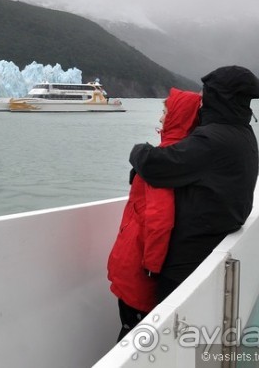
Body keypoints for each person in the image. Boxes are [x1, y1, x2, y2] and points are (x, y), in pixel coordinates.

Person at [129, 65, 259, 303]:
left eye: (206, 92)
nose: (201, 99)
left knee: (166, 324)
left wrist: (139, 150)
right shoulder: (242, 132)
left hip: (188, 259)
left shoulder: (212, 139)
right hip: (214, 240)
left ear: (219, 96)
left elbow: (155, 164)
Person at [108, 88, 202, 341]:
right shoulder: (181, 154)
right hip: (139, 255)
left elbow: (160, 219)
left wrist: (151, 266)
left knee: (132, 332)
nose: (161, 118)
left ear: (178, 117)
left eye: (165, 112)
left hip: (139, 261)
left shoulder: (166, 159)